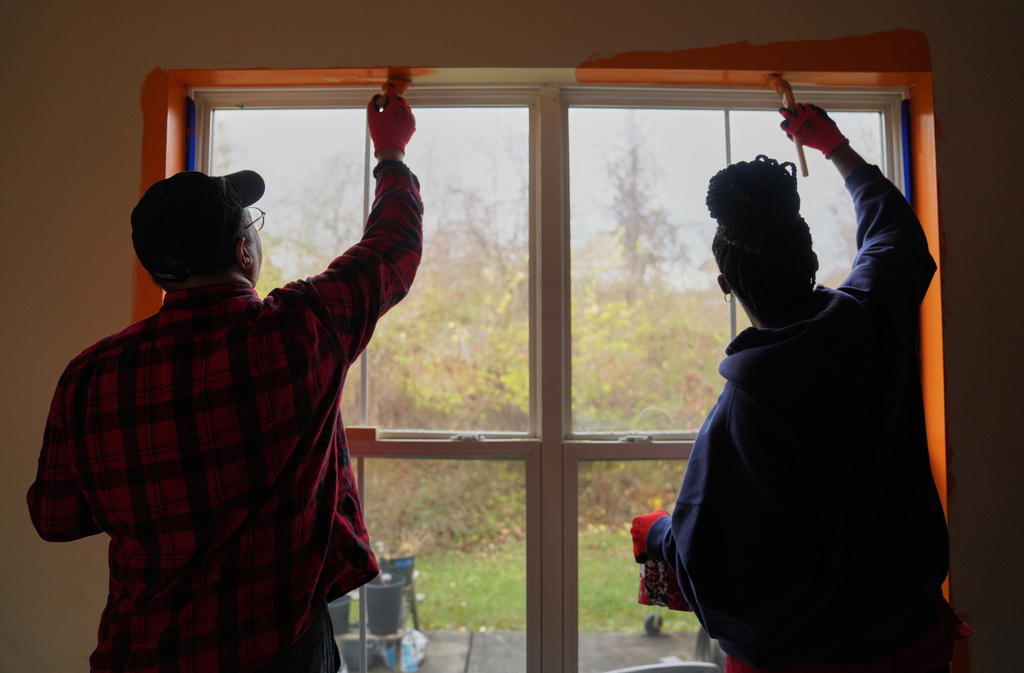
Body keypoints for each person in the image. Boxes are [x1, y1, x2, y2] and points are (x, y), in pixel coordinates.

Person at [27, 84, 421, 673]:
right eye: (253, 225)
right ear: (243, 251)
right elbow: (390, 249)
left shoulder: (88, 376)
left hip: (140, 656)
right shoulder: (296, 333)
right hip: (273, 650)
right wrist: (390, 155)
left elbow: (55, 519)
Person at [631, 104, 971, 672]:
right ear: (812, 258)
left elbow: (719, 580)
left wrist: (660, 534)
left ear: (725, 285)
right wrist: (835, 146)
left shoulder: (743, 414)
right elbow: (895, 232)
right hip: (914, 643)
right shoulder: (875, 317)